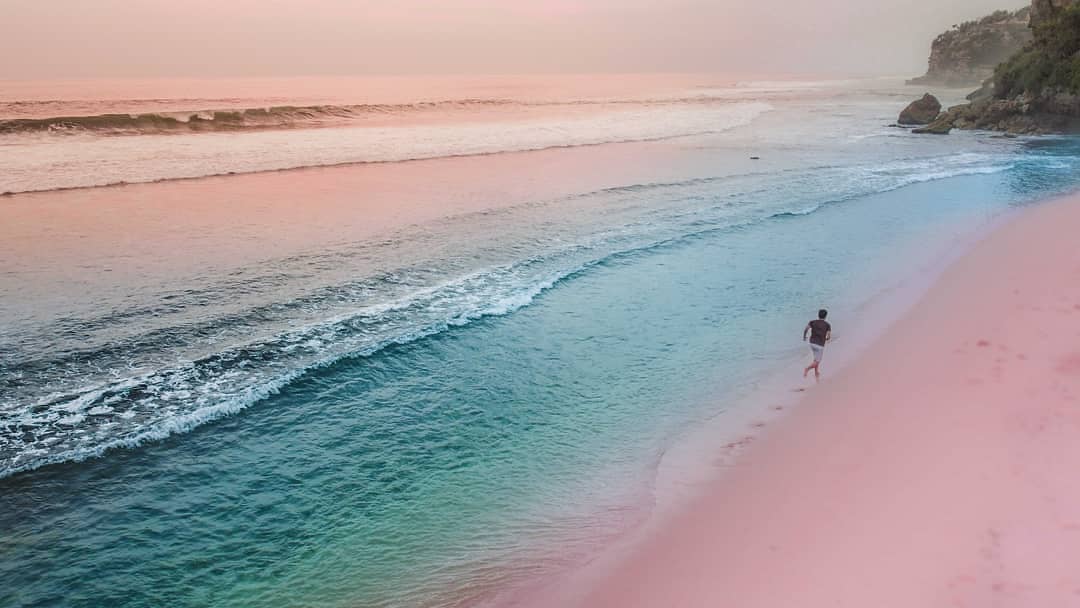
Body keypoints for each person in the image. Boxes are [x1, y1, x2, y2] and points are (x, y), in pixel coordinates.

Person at [803, 309, 832, 381]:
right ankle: (807, 369)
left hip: (812, 343)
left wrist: (804, 336)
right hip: (820, 345)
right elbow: (828, 336)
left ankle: (816, 373)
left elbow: (806, 329)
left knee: (816, 359)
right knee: (817, 361)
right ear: (826, 316)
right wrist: (827, 338)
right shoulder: (827, 325)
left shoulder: (812, 322)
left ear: (818, 315)